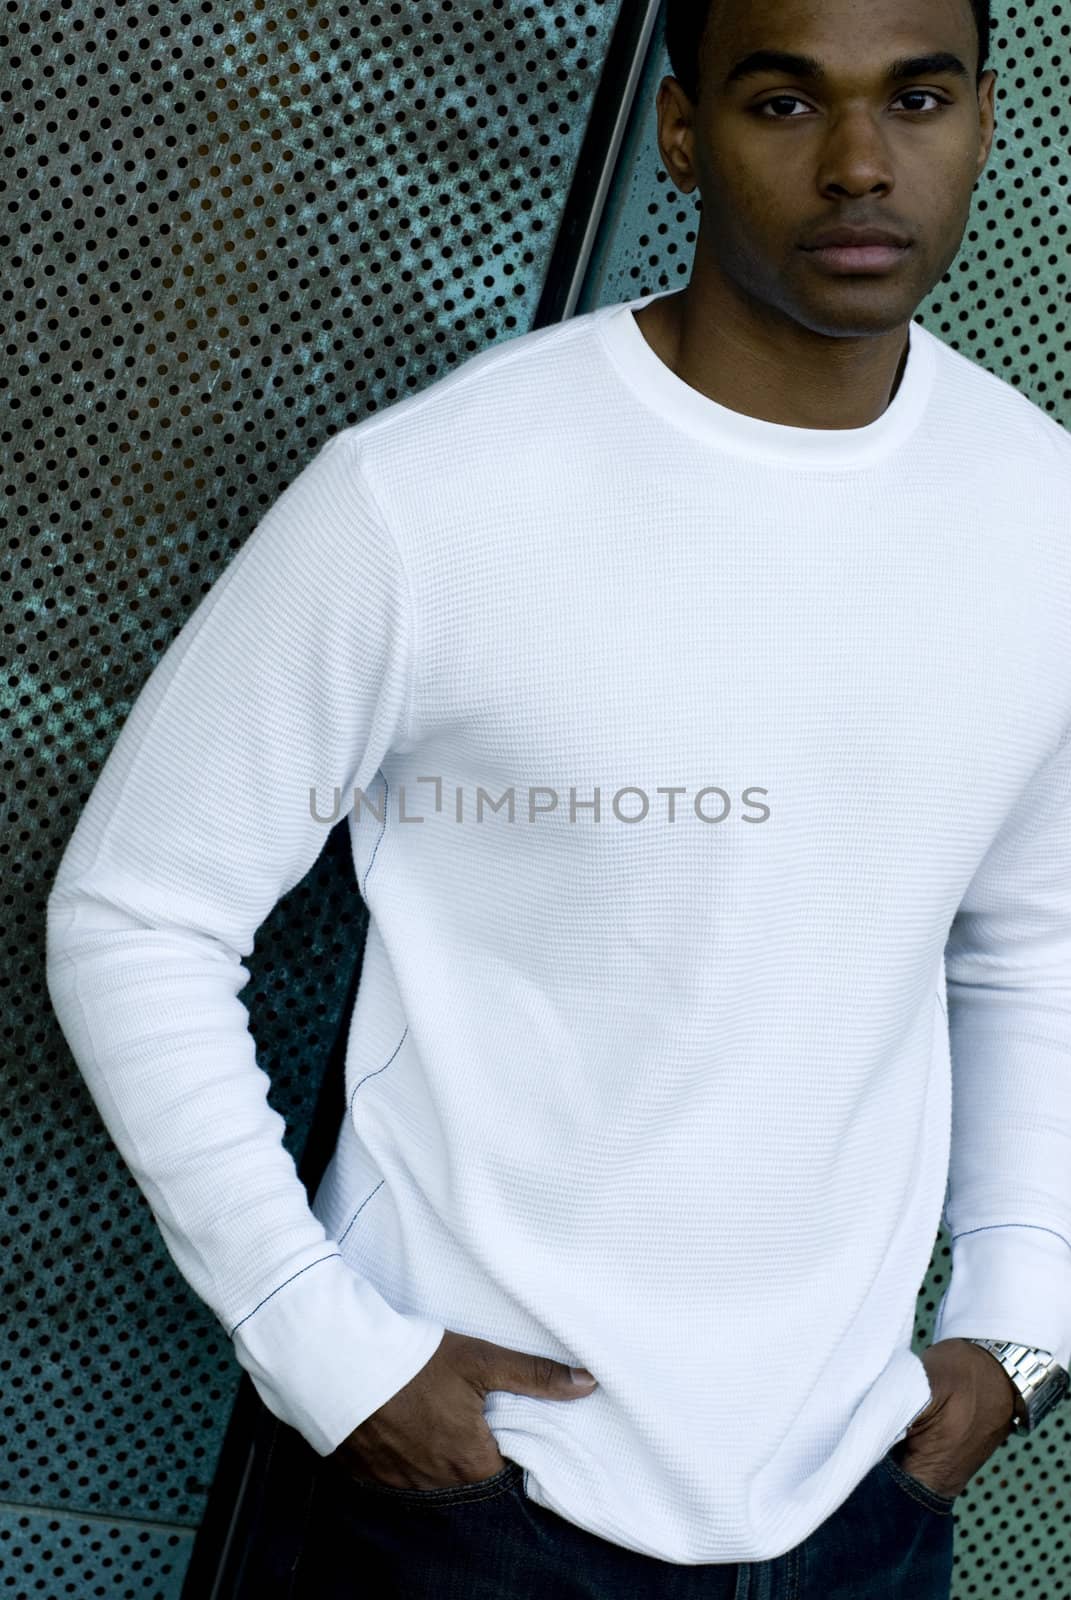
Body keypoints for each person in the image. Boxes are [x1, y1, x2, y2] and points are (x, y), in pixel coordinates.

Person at [45, 0, 1071, 1594]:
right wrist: (324, 1348)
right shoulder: (429, 498)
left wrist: (1017, 1332)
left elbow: (1033, 943)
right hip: (458, 1501)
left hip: (857, 1511)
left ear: (985, 123)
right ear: (682, 134)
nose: (862, 164)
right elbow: (137, 916)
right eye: (785, 104)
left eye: (918, 99)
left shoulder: (1040, 517)